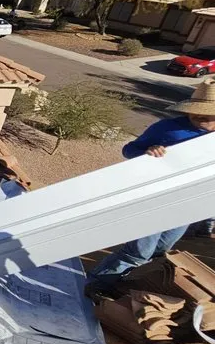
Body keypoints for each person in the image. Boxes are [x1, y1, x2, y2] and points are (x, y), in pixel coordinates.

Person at [87, 78, 215, 295]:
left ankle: (126, 286)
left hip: (186, 205)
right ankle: (95, 286)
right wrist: (148, 152)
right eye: (196, 110)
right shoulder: (167, 128)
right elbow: (129, 150)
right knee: (138, 252)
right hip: (155, 198)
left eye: (207, 112)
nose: (199, 116)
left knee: (160, 251)